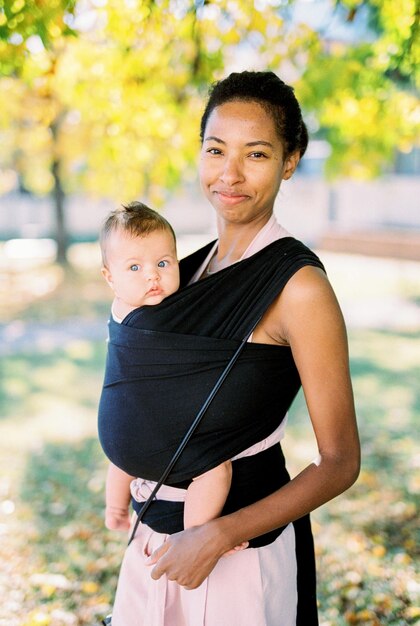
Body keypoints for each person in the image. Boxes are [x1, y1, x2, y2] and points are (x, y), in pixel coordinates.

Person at [98, 71, 360, 626]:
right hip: (154, 544)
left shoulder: (298, 287)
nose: (230, 174)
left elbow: (340, 462)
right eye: (216, 150)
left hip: (239, 559)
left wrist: (218, 535)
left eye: (257, 154)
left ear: (290, 162)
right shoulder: (182, 273)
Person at [99, 201, 248, 538]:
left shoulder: (124, 307)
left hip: (124, 428)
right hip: (152, 428)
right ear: (110, 278)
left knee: (124, 455)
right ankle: (195, 535)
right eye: (134, 268)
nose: (152, 275)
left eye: (164, 263)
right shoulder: (150, 320)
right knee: (214, 470)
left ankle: (114, 509)